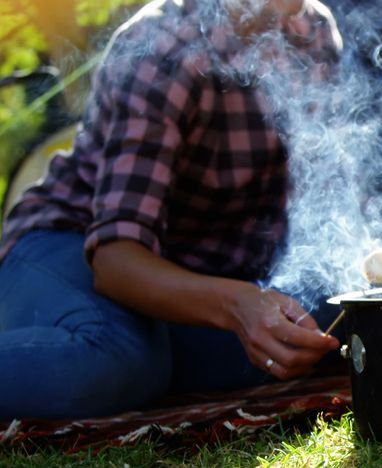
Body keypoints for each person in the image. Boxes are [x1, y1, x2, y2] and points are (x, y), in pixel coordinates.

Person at [0, 0, 343, 420]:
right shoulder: (162, 47)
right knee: (117, 357)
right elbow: (115, 260)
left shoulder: (311, 30)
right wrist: (238, 305)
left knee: (341, 319)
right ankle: (99, 347)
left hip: (201, 279)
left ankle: (135, 358)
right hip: (74, 248)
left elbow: (326, 200)